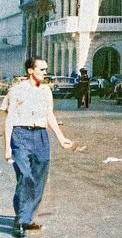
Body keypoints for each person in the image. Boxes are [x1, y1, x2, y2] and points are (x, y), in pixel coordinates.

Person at [2, 57, 73, 237]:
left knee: (39, 178)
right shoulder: (16, 90)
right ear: (30, 71)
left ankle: (26, 217)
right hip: (20, 135)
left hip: (41, 136)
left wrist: (61, 138)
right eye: (42, 69)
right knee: (25, 176)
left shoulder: (46, 91)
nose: (45, 73)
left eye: (46, 69)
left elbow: (49, 115)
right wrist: (7, 148)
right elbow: (9, 119)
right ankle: (21, 220)